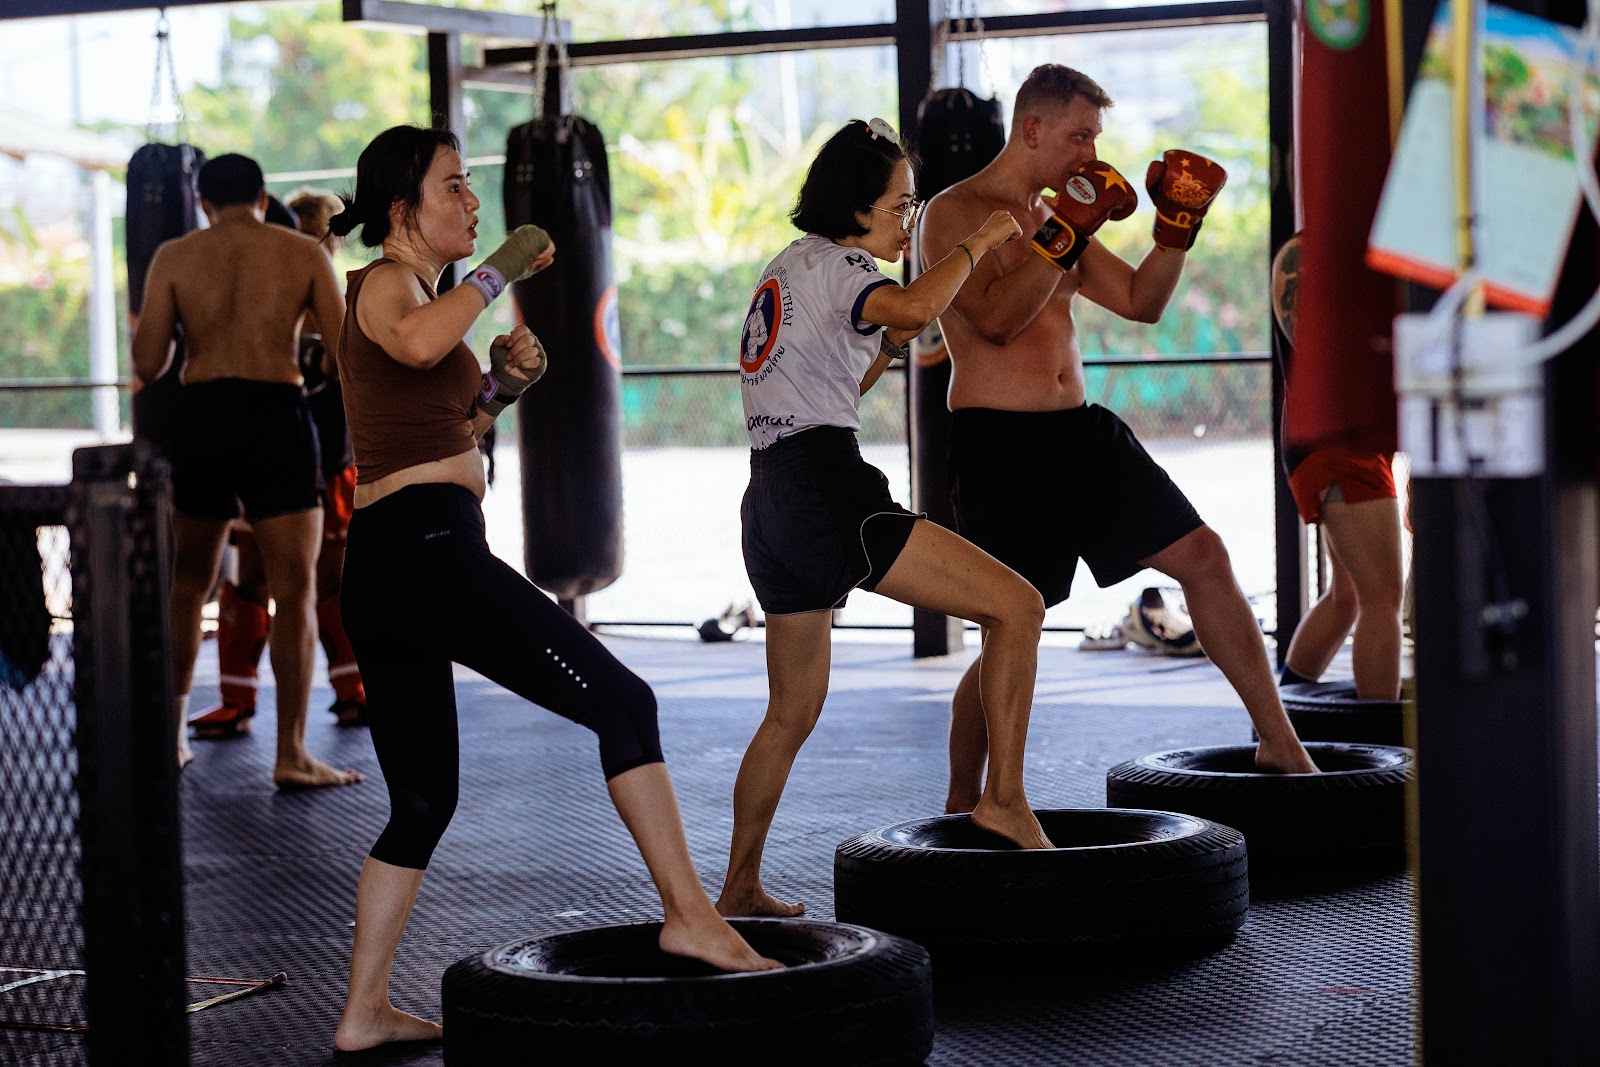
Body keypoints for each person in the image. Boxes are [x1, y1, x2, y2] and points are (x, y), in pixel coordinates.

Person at [327, 125, 778, 1053]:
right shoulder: (385, 285)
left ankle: (364, 1011)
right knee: (626, 701)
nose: (471, 201)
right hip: (424, 550)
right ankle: (690, 915)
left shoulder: (424, 295)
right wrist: (504, 265)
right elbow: (414, 343)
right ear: (402, 208)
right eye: (453, 187)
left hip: (395, 555)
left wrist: (499, 388)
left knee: (422, 802)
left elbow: (446, 427)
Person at [919, 64, 1320, 812]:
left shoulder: (1056, 215)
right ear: (1032, 129)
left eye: (1095, 138)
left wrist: (1176, 229)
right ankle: (962, 802)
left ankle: (1280, 741)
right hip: (999, 444)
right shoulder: (952, 213)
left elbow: (1141, 301)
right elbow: (995, 321)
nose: (1090, 154)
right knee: (1012, 625)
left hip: (1082, 435)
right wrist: (1067, 233)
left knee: (1205, 558)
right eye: (1079, 137)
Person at [716, 118, 1053, 922]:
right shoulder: (846, 266)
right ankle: (1003, 798)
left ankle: (738, 885)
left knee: (790, 711)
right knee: (1018, 607)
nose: (908, 222)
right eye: (901, 206)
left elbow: (838, 380)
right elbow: (912, 301)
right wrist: (974, 244)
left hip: (770, 500)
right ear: (858, 208)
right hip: (828, 490)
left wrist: (891, 346)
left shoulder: (787, 268)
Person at [131, 154, 360, 789]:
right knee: (296, 588)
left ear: (203, 203)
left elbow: (149, 363)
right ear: (263, 198)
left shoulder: (174, 256)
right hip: (275, 416)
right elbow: (344, 356)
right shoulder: (303, 252)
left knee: (187, 584)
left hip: (201, 415)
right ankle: (291, 754)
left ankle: (171, 739)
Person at [190, 189, 374, 737]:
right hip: (269, 453)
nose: (306, 242)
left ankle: (352, 690)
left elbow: (355, 372)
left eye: (316, 234)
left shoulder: (342, 297)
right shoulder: (264, 295)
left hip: (328, 457)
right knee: (253, 576)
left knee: (328, 576)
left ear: (331, 240)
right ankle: (237, 699)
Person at [1271, 235, 1405, 700]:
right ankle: (1379, 738)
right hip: (1340, 439)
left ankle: (1282, 719)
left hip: (1347, 435)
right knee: (1383, 597)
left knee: (1347, 595)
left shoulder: (1366, 246)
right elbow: (1335, 355)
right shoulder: (1308, 253)